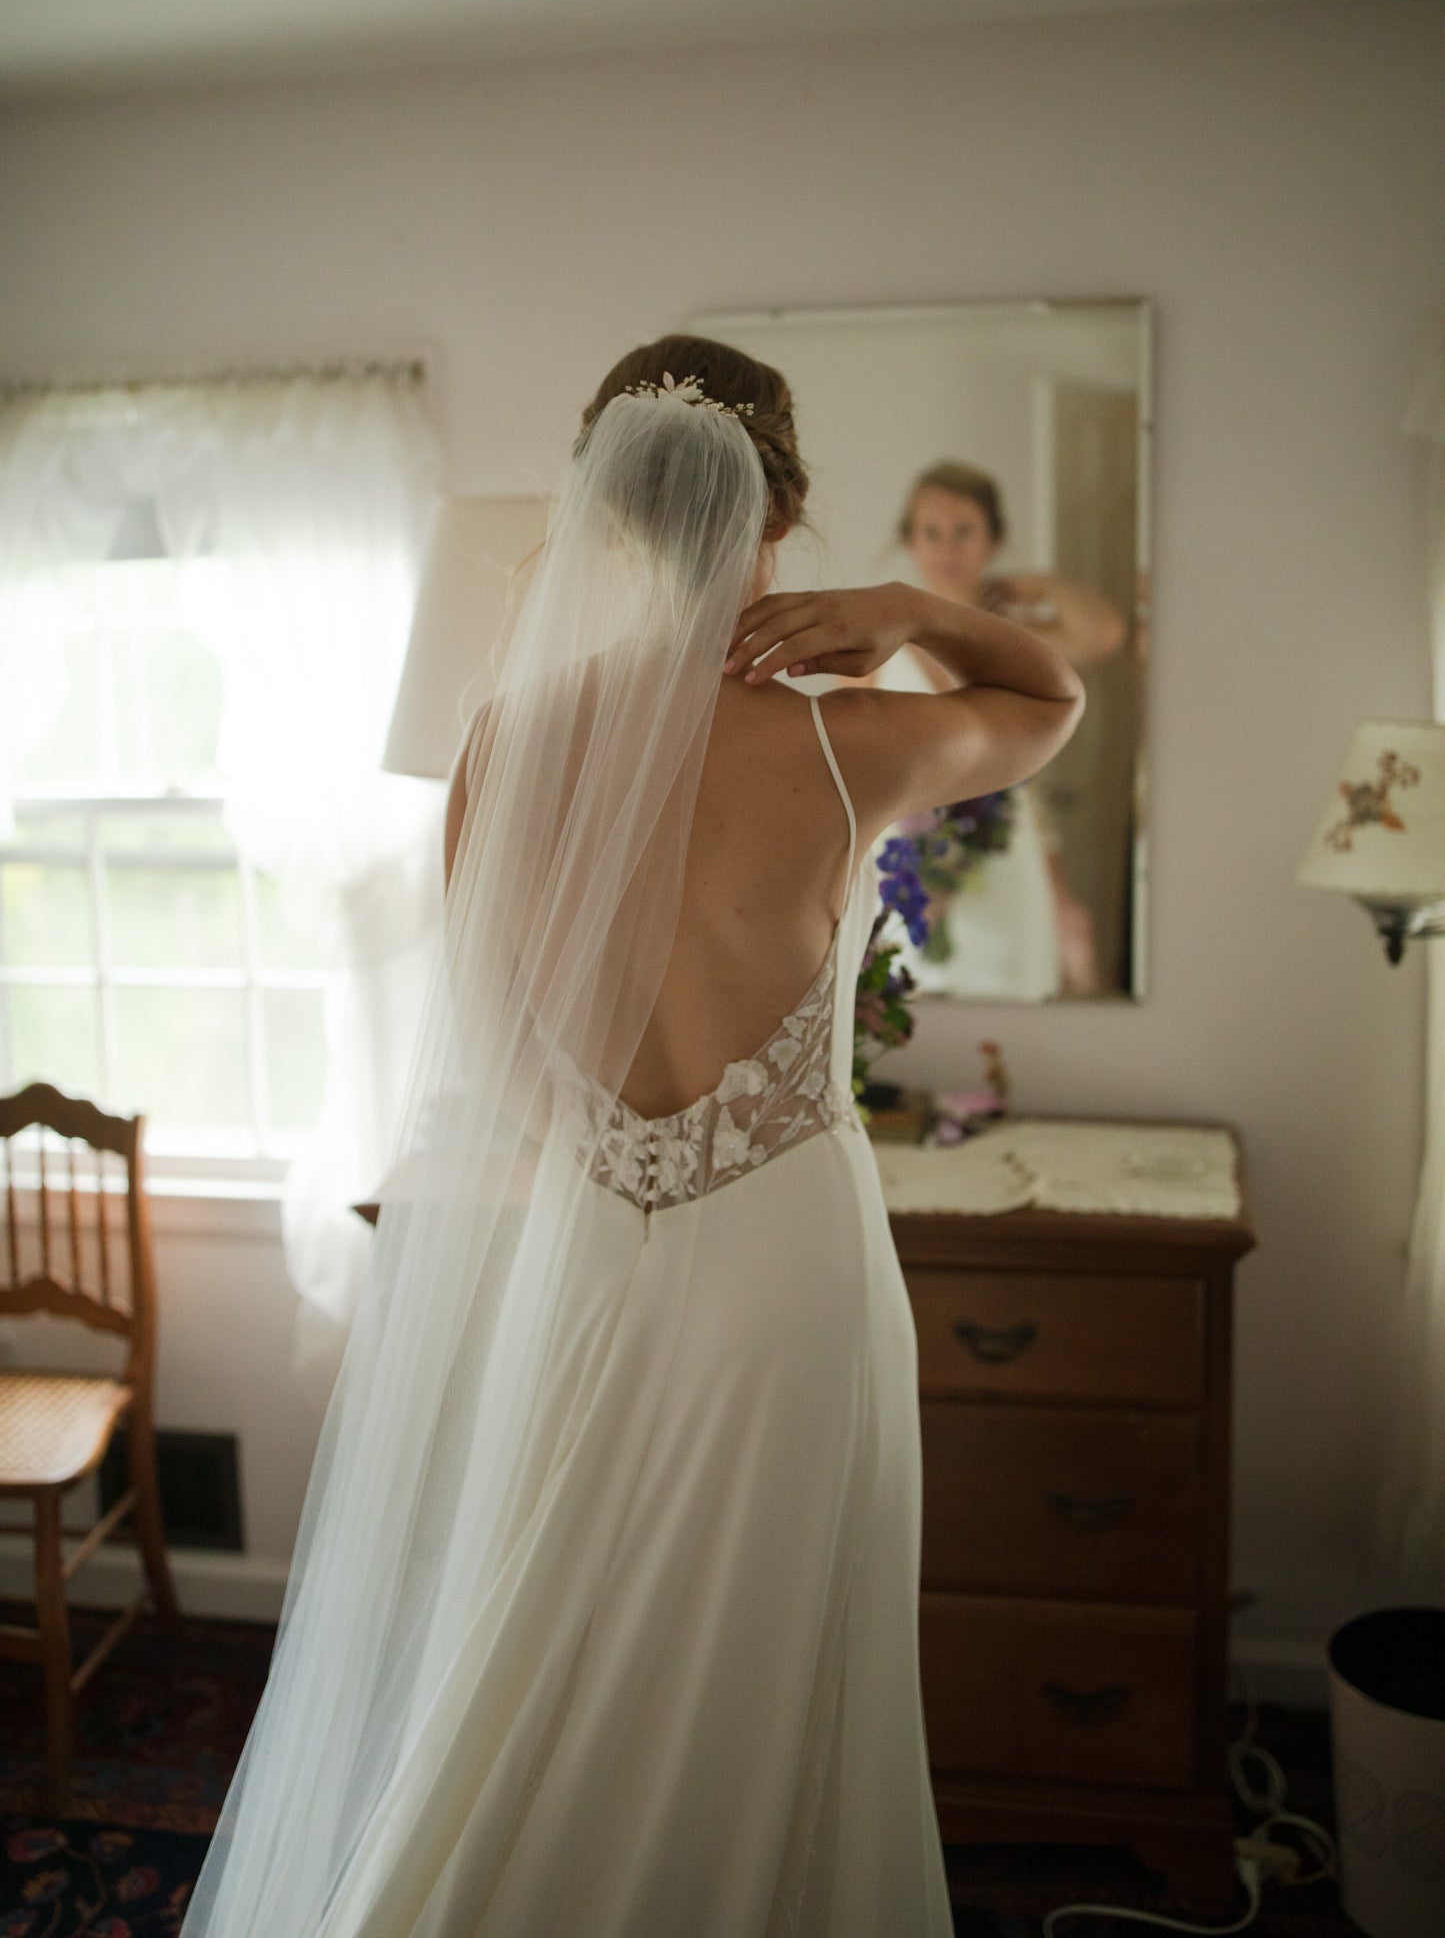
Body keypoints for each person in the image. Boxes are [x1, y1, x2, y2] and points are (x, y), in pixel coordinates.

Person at [178, 337, 1082, 1938]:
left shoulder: (502, 752)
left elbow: (503, 1036)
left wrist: (621, 1150)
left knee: (561, 1635)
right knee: (777, 1651)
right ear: (779, 515)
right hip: (789, 1272)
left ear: (609, 512)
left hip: (590, 1254)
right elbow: (1046, 696)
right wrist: (909, 614)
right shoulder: (844, 738)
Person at [865, 459, 1123, 999]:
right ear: (910, 542)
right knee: (907, 1013)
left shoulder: (1020, 640)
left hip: (1003, 848)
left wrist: (1035, 586)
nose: (947, 548)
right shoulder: (880, 644)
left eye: (965, 531)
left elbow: (1103, 632)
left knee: (1008, 1015)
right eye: (930, 532)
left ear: (993, 540)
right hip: (907, 858)